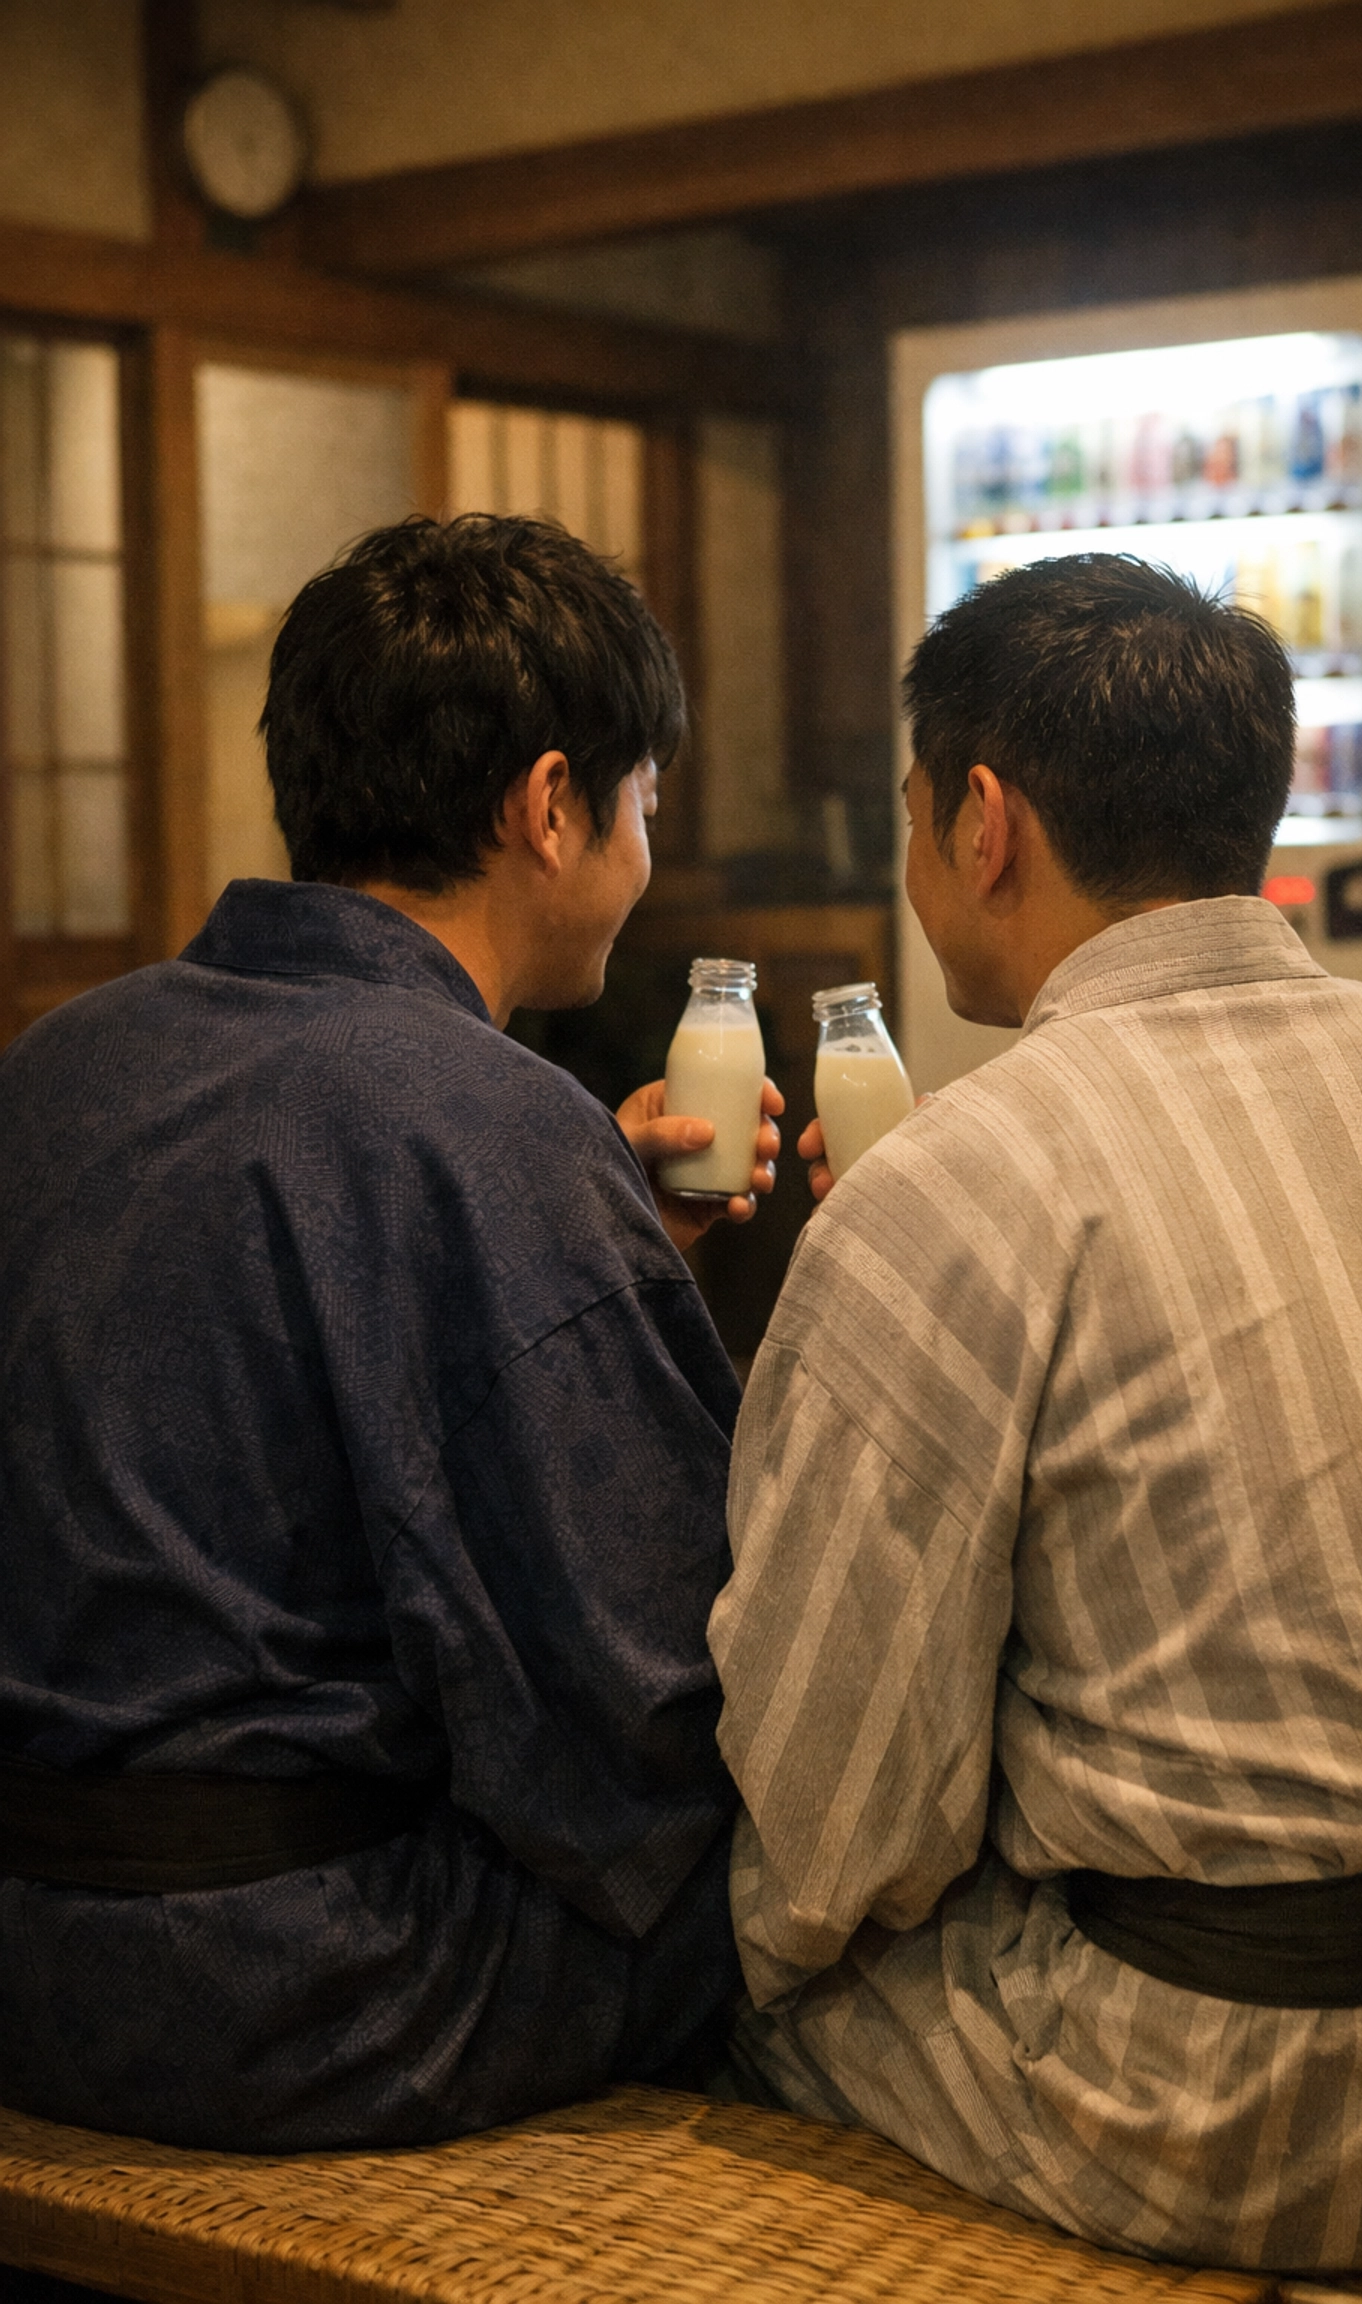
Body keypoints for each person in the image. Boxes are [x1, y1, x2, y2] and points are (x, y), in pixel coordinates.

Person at [712, 554, 1362, 2271]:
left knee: (747, 1986)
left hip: (1231, 2100)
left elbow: (839, 1829)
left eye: (919, 815)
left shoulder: (957, 1182)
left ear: (984, 822)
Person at [0, 514, 781, 2152]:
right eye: (643, 803)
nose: (644, 851)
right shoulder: (488, 1124)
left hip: (30, 1943)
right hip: (291, 1990)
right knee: (799, 1894)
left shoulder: (61, 1062)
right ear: (550, 806)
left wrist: (591, 1240)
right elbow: (649, 1694)